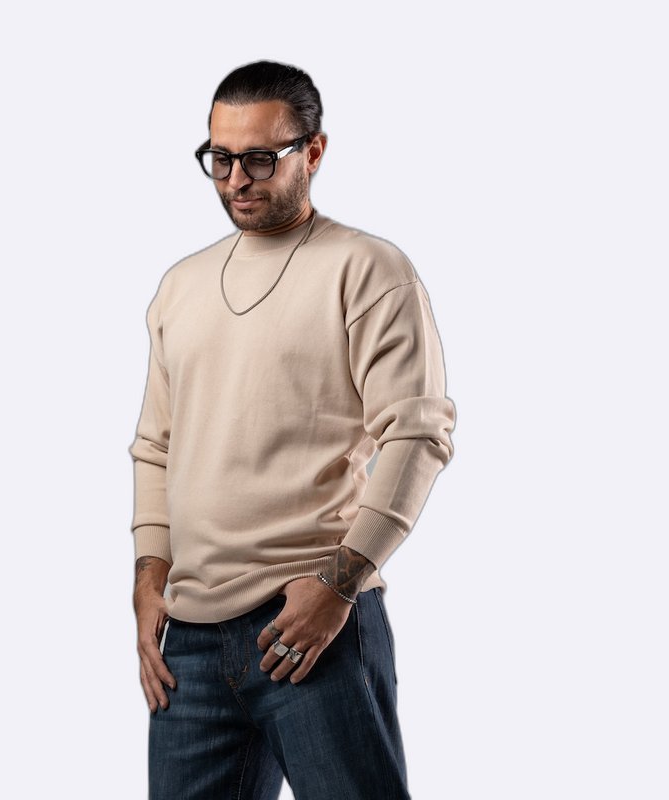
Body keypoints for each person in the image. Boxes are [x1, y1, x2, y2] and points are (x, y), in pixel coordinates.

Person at [129, 60, 456, 800]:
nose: (235, 180)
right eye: (219, 158)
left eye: (259, 158)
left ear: (313, 151)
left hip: (312, 625)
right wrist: (149, 575)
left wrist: (340, 585)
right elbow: (156, 446)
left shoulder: (368, 269)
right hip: (190, 641)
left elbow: (417, 434)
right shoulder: (181, 285)